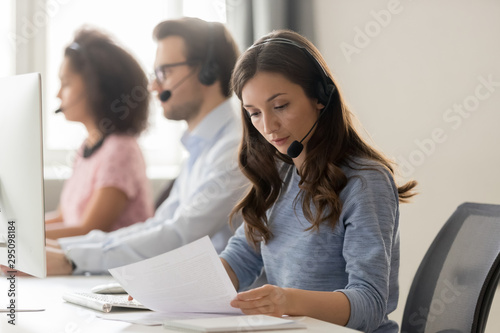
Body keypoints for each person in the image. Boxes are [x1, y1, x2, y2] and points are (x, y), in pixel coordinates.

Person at [219, 30, 417, 333]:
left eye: (281, 106)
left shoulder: (365, 182)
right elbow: (241, 259)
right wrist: (176, 287)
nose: (269, 127)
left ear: (320, 98)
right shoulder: (281, 175)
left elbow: (370, 302)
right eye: (254, 113)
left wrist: (286, 301)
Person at [42, 17, 247, 276]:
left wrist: (71, 258)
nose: (153, 86)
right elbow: (160, 225)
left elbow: (180, 236)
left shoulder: (234, 149)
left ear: (208, 71)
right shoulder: (202, 147)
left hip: (223, 294)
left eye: (166, 72)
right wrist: (63, 249)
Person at [45, 29, 154, 240]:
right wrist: (11, 232)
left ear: (96, 87)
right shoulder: (88, 146)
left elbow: (89, 231)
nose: (58, 94)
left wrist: (13, 239)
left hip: (110, 270)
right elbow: (64, 217)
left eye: (66, 84)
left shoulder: (121, 150)